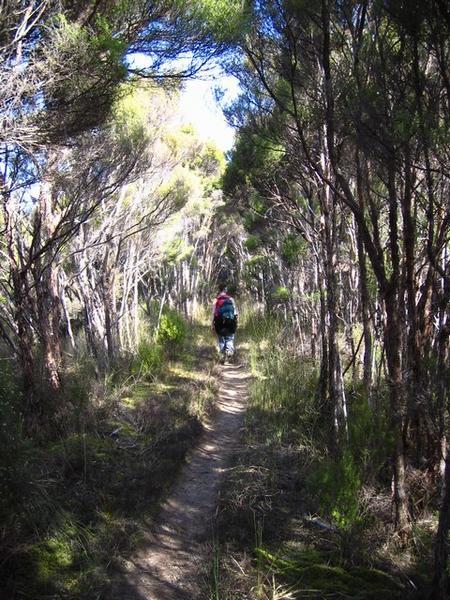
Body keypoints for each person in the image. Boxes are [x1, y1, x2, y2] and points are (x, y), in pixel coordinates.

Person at [212, 283, 238, 362]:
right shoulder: (231, 299)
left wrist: (212, 323)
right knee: (229, 337)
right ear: (225, 290)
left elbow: (213, 313)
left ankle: (222, 355)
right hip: (230, 321)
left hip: (219, 321)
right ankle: (229, 351)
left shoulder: (216, 300)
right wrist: (236, 322)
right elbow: (236, 312)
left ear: (219, 290)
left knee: (221, 338)